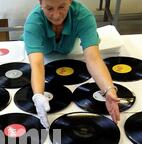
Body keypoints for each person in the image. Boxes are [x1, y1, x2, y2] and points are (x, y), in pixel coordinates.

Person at [23, 0, 120, 128]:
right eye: (49, 9)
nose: (56, 15)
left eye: (62, 7)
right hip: (40, 57)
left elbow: (93, 58)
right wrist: (38, 95)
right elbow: (37, 64)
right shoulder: (33, 22)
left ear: (70, 1)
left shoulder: (83, 16)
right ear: (40, 4)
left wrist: (109, 90)